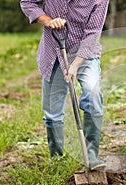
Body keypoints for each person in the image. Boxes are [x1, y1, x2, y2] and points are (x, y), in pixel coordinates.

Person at [20, 0, 109, 171]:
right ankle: (57, 159)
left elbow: (93, 32)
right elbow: (27, 2)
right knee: (52, 112)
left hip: (85, 53)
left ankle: (91, 155)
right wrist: (48, 20)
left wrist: (75, 65)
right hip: (53, 51)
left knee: (92, 93)